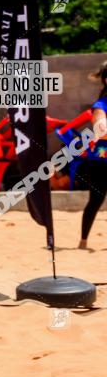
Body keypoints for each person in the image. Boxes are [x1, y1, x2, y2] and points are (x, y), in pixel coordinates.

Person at [77, 60, 107, 249]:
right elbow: (101, 131)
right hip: (101, 162)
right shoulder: (100, 105)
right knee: (96, 201)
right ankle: (83, 241)